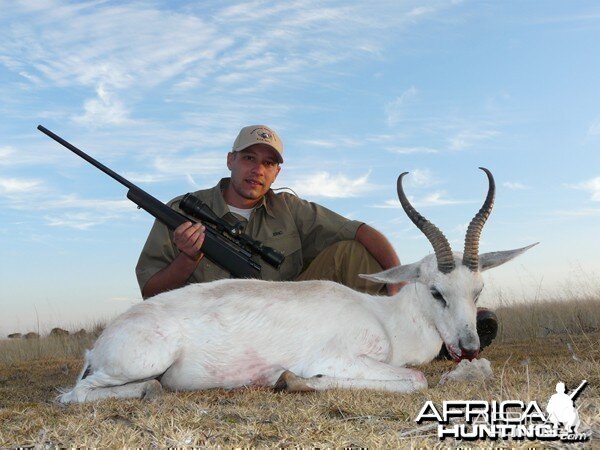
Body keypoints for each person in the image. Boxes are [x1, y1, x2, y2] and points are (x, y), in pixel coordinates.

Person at [136, 125, 403, 300]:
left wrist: (398, 281)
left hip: (286, 319)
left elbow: (361, 231)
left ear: (277, 172)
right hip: (216, 324)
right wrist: (188, 258)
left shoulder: (290, 208)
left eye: (268, 163)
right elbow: (151, 293)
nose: (258, 170)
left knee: (350, 252)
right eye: (249, 158)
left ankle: (401, 332)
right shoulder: (182, 210)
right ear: (231, 160)